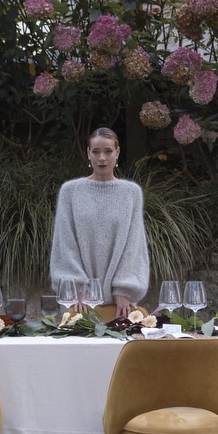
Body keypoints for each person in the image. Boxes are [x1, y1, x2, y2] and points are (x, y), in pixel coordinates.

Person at [49, 127, 149, 319]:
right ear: (88, 153)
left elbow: (134, 244)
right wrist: (75, 288)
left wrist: (124, 288)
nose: (102, 158)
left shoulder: (131, 193)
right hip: (79, 303)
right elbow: (65, 243)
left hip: (120, 303)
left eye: (108, 151)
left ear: (117, 152)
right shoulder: (70, 192)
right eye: (96, 152)